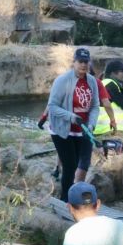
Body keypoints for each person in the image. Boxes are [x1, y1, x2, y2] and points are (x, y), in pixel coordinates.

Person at [45, 47, 100, 197]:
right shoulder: (62, 80)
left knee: (78, 164)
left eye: (86, 62)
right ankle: (66, 200)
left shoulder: (92, 82)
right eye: (80, 62)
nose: (83, 65)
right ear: (74, 62)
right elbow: (52, 106)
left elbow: (95, 106)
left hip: (82, 129)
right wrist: (71, 116)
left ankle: (72, 197)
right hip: (62, 129)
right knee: (69, 166)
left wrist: (91, 124)